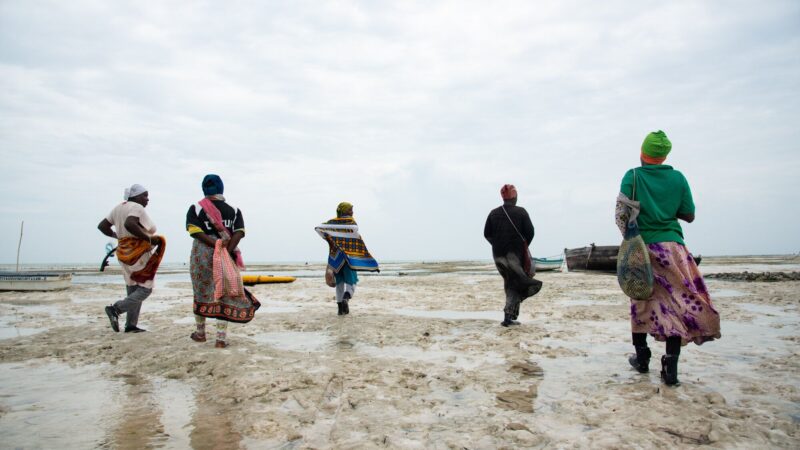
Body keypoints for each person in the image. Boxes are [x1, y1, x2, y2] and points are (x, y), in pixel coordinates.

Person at [616, 130, 721, 386]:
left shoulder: (633, 176)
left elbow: (621, 213)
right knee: (676, 302)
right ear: (664, 157)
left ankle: (642, 358)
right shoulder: (678, 178)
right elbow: (689, 214)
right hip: (673, 249)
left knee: (640, 299)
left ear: (643, 153)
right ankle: (670, 365)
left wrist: (631, 243)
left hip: (643, 246)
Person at [186, 174, 259, 348]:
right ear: (221, 188)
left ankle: (200, 333)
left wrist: (214, 244)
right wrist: (225, 248)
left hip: (201, 255)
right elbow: (239, 232)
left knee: (201, 290)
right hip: (226, 253)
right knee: (223, 292)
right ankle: (220, 339)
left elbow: (195, 231)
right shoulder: (233, 210)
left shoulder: (196, 208)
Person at [98, 184, 165, 333]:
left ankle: (131, 325)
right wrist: (148, 238)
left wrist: (117, 236)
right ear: (135, 196)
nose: (147, 199)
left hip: (124, 252)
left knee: (133, 287)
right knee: (146, 288)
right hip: (138, 254)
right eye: (145, 195)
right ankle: (115, 309)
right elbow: (130, 223)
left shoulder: (118, 208)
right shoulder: (136, 207)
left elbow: (102, 226)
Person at [484, 185, 542, 327]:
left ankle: (509, 317)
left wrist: (498, 245)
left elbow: (487, 234)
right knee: (515, 283)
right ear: (514, 197)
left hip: (498, 256)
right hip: (515, 255)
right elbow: (530, 232)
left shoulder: (493, 213)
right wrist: (521, 245)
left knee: (510, 282)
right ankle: (508, 318)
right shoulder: (521, 212)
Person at [315, 202, 379, 315]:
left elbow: (319, 228)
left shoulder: (331, 224)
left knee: (339, 284)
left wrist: (328, 237)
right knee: (352, 282)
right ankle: (346, 298)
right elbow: (354, 231)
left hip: (335, 258)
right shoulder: (350, 222)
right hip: (348, 257)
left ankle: (340, 309)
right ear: (344, 210)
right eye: (350, 210)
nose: (352, 212)